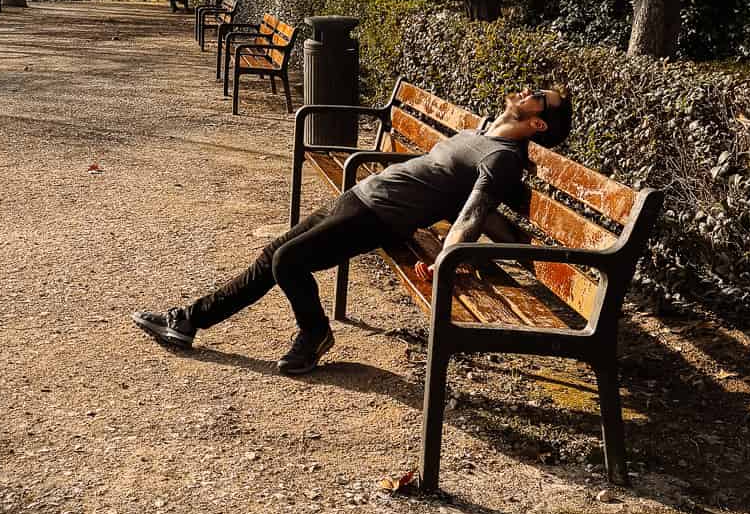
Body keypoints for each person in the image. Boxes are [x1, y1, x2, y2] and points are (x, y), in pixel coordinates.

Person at [132, 85, 572, 374]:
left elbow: (475, 213)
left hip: (380, 217)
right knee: (272, 255)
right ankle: (189, 319)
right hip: (364, 195)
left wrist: (446, 259)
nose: (528, 91)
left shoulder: (502, 158)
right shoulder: (483, 132)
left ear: (538, 124)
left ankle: (315, 333)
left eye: (539, 97)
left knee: (288, 262)